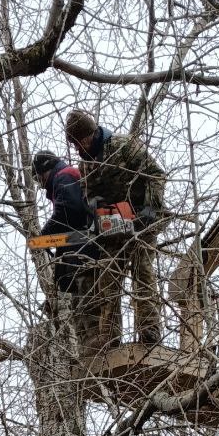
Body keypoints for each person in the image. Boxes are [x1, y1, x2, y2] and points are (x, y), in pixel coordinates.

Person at [65, 108, 166, 353]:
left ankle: (149, 329)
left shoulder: (123, 145)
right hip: (115, 226)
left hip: (143, 219)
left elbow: (156, 175)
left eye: (81, 141)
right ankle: (109, 335)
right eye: (74, 144)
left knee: (142, 270)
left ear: (90, 133)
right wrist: (96, 214)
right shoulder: (86, 163)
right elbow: (89, 195)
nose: (79, 147)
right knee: (108, 277)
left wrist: (150, 210)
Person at [31, 149, 98, 298]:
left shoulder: (64, 176)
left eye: (38, 177)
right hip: (80, 246)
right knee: (81, 304)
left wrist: (44, 236)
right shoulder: (62, 178)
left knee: (88, 303)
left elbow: (67, 211)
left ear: (46, 169)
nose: (40, 184)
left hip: (84, 247)